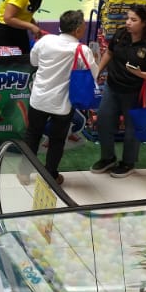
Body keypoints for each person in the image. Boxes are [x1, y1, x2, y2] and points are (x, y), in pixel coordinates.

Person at [93, 5, 146, 178]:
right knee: (103, 121)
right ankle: (108, 158)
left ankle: (128, 162)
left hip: (136, 93)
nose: (128, 23)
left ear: (144, 23)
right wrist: (97, 71)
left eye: (133, 20)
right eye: (127, 18)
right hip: (112, 87)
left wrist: (140, 74)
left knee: (132, 130)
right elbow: (109, 53)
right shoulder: (121, 35)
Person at [26, 11, 96, 184]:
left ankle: (23, 173)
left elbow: (34, 62)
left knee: (33, 135)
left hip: (38, 99)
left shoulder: (45, 41)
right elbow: (93, 74)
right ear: (78, 30)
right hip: (62, 104)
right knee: (57, 140)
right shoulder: (82, 50)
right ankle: (51, 176)